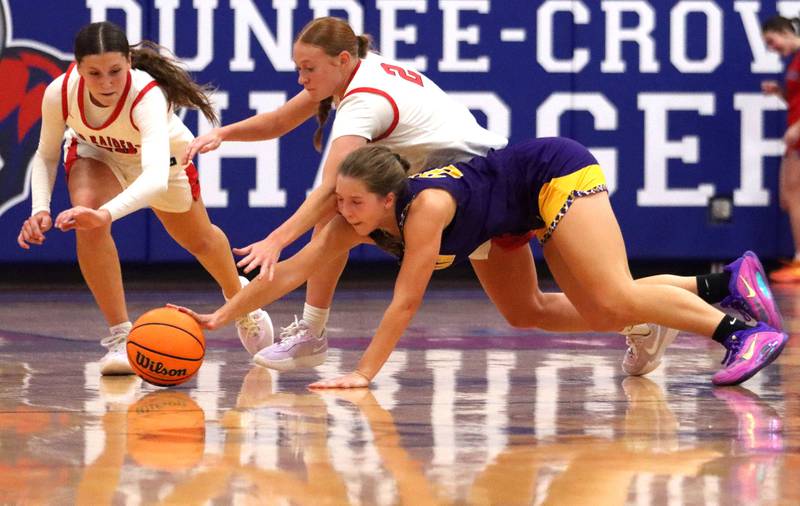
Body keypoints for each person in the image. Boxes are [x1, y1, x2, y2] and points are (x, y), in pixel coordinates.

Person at [173, 137, 789, 388]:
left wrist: (363, 374)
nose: (344, 209)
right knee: (530, 311)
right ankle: (721, 282)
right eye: (341, 199)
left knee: (613, 299)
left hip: (548, 174)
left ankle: (740, 333)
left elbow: (406, 302)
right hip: (503, 221)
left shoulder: (427, 210)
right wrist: (220, 316)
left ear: (388, 199)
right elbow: (288, 272)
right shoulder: (350, 220)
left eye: (355, 201)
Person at [182, 16, 507, 370]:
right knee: (525, 310)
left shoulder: (362, 102)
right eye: (298, 68)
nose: (301, 78)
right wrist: (223, 134)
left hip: (473, 184)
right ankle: (309, 332)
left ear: (342, 60)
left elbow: (330, 190)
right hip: (471, 173)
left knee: (337, 211)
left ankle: (312, 333)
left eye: (308, 68)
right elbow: (279, 120)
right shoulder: (357, 69)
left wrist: (276, 240)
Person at [16, 21, 272, 375]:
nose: (106, 83)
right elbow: (45, 155)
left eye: (115, 71)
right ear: (77, 68)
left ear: (129, 62)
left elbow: (153, 180)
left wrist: (107, 214)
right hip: (98, 153)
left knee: (200, 240)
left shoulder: (147, 96)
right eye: (94, 73)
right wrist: (40, 208)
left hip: (161, 162)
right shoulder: (59, 92)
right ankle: (120, 336)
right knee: (86, 219)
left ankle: (241, 301)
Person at [761, 15, 800, 283]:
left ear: (783, 31)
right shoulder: (794, 61)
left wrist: (798, 128)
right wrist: (780, 92)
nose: (771, 48)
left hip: (797, 133)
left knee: (795, 195)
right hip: (795, 135)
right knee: (788, 197)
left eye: (771, 41)